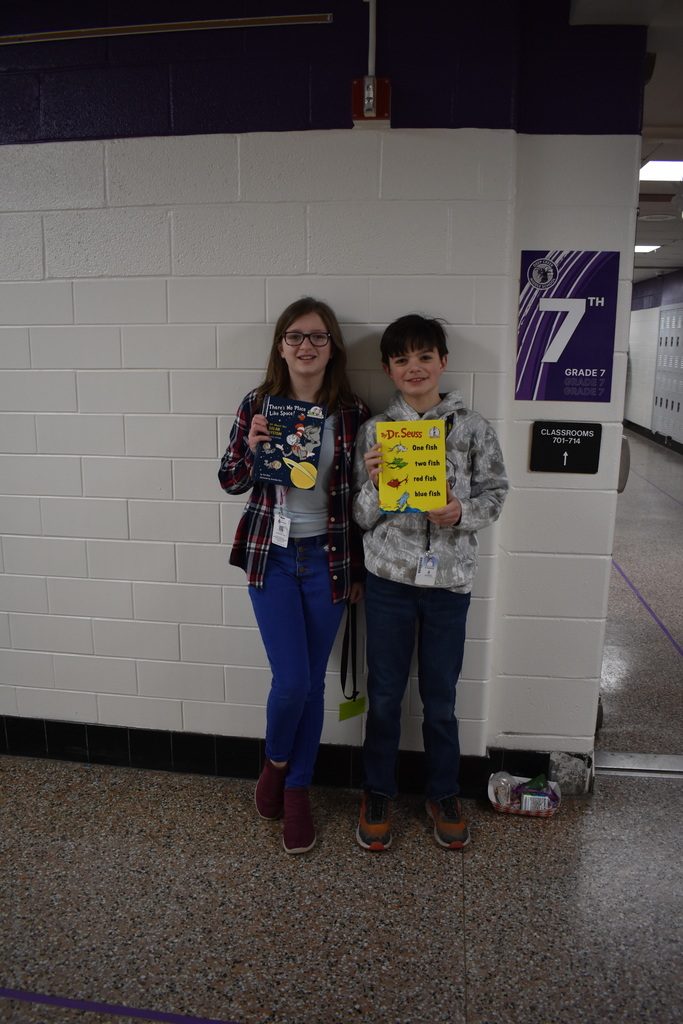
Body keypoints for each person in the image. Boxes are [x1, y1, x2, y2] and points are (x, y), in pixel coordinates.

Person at [218, 298, 370, 854]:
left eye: (318, 337)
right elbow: (229, 480)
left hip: (327, 560)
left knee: (312, 683)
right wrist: (252, 449)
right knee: (295, 682)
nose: (306, 346)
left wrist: (358, 571)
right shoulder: (258, 404)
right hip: (272, 557)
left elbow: (358, 500)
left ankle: (297, 789)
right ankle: (277, 765)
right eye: (295, 336)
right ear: (281, 346)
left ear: (333, 347)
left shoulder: (352, 412)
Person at [352, 314, 508, 851]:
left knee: (441, 698)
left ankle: (443, 792)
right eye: (401, 360)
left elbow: (496, 493)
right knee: (386, 695)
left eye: (424, 357)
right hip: (389, 583)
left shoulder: (473, 428)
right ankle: (377, 790)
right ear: (388, 369)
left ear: (443, 361)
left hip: (449, 585)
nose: (414, 368)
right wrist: (374, 485)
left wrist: (458, 512)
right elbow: (360, 515)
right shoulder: (375, 431)